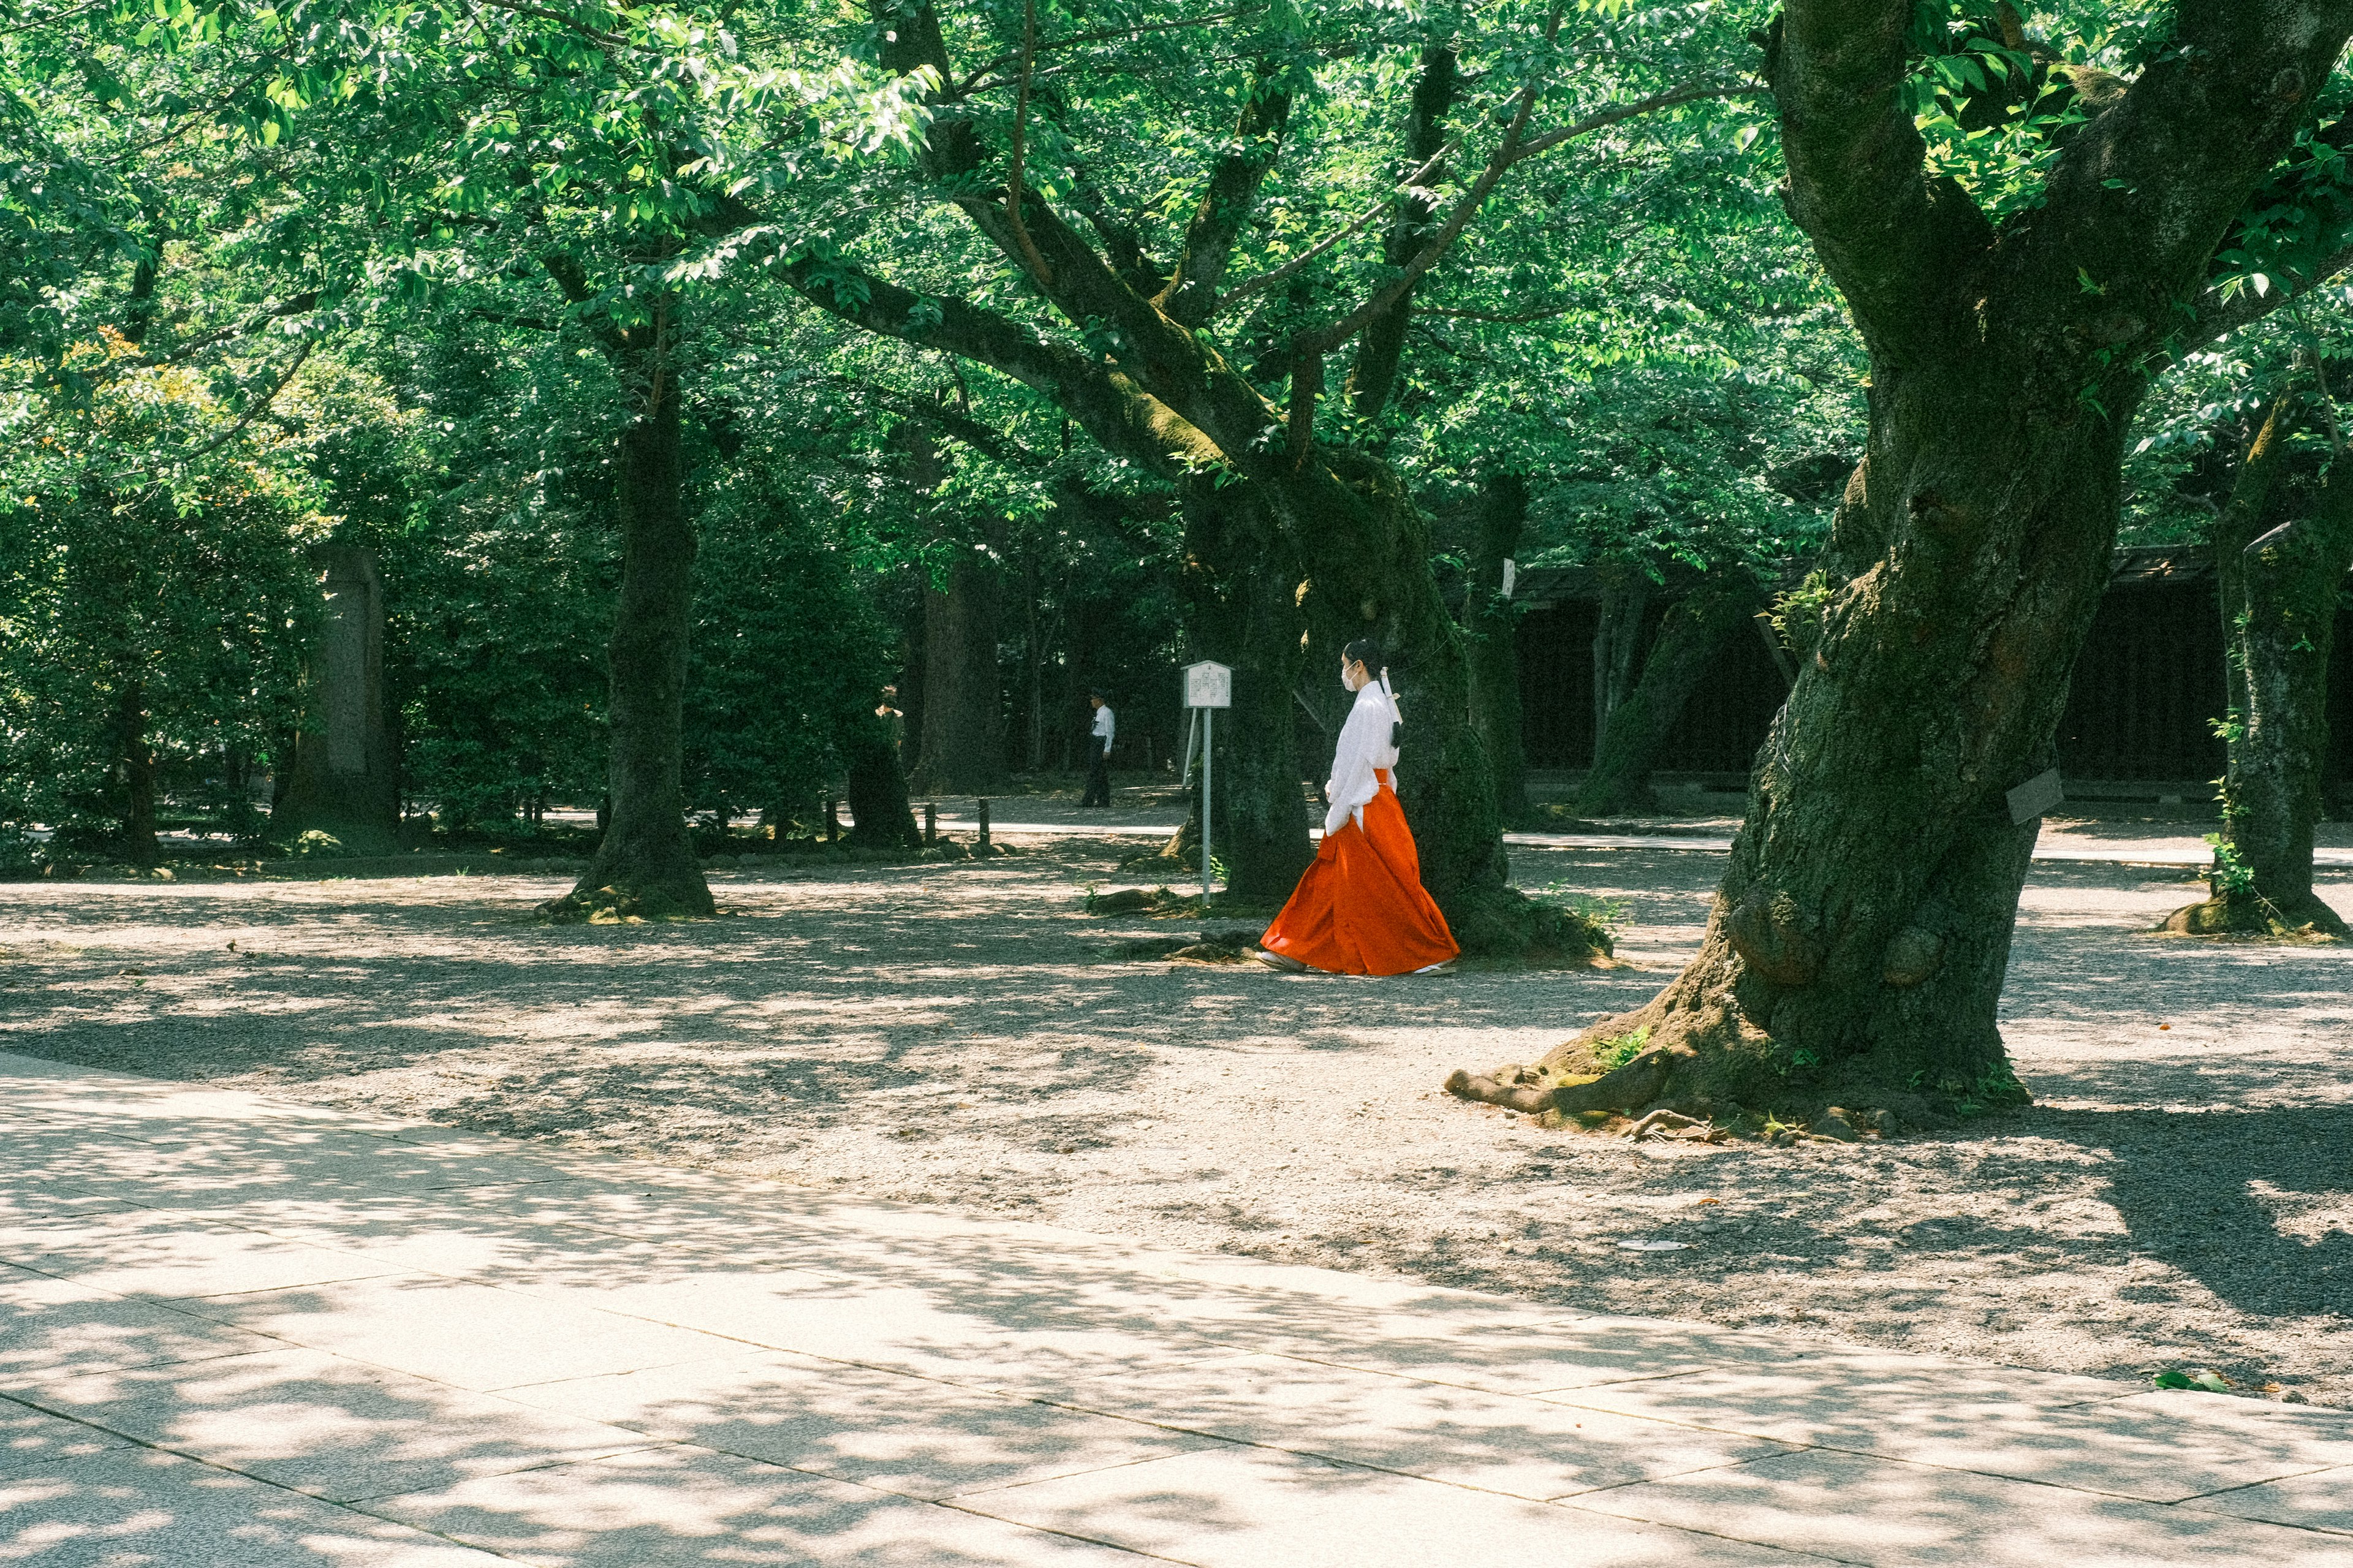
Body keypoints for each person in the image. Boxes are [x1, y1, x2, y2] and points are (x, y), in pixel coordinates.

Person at [1256, 640, 1458, 975]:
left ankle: (1429, 951)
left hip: (1362, 802)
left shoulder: (1368, 707)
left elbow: (1358, 762)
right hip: (1374, 797)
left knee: (1379, 881)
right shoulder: (1380, 703)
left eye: (1345, 664)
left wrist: (1340, 803)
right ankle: (1292, 947)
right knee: (1335, 878)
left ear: (1358, 665)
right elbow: (1383, 763)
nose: (1343, 672)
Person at [1082, 689, 1115, 808]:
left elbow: (1110, 732)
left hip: (1101, 743)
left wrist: (1107, 748)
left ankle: (1089, 800)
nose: (1092, 701)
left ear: (1099, 700)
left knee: (1096, 773)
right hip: (1095, 742)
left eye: (1093, 699)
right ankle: (1102, 800)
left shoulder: (1107, 713)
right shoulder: (1099, 713)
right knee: (1099, 774)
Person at [876, 685, 906, 754]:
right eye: (888, 697)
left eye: (893, 697)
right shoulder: (877, 713)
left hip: (892, 751)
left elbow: (900, 736)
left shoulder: (899, 715)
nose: (890, 700)